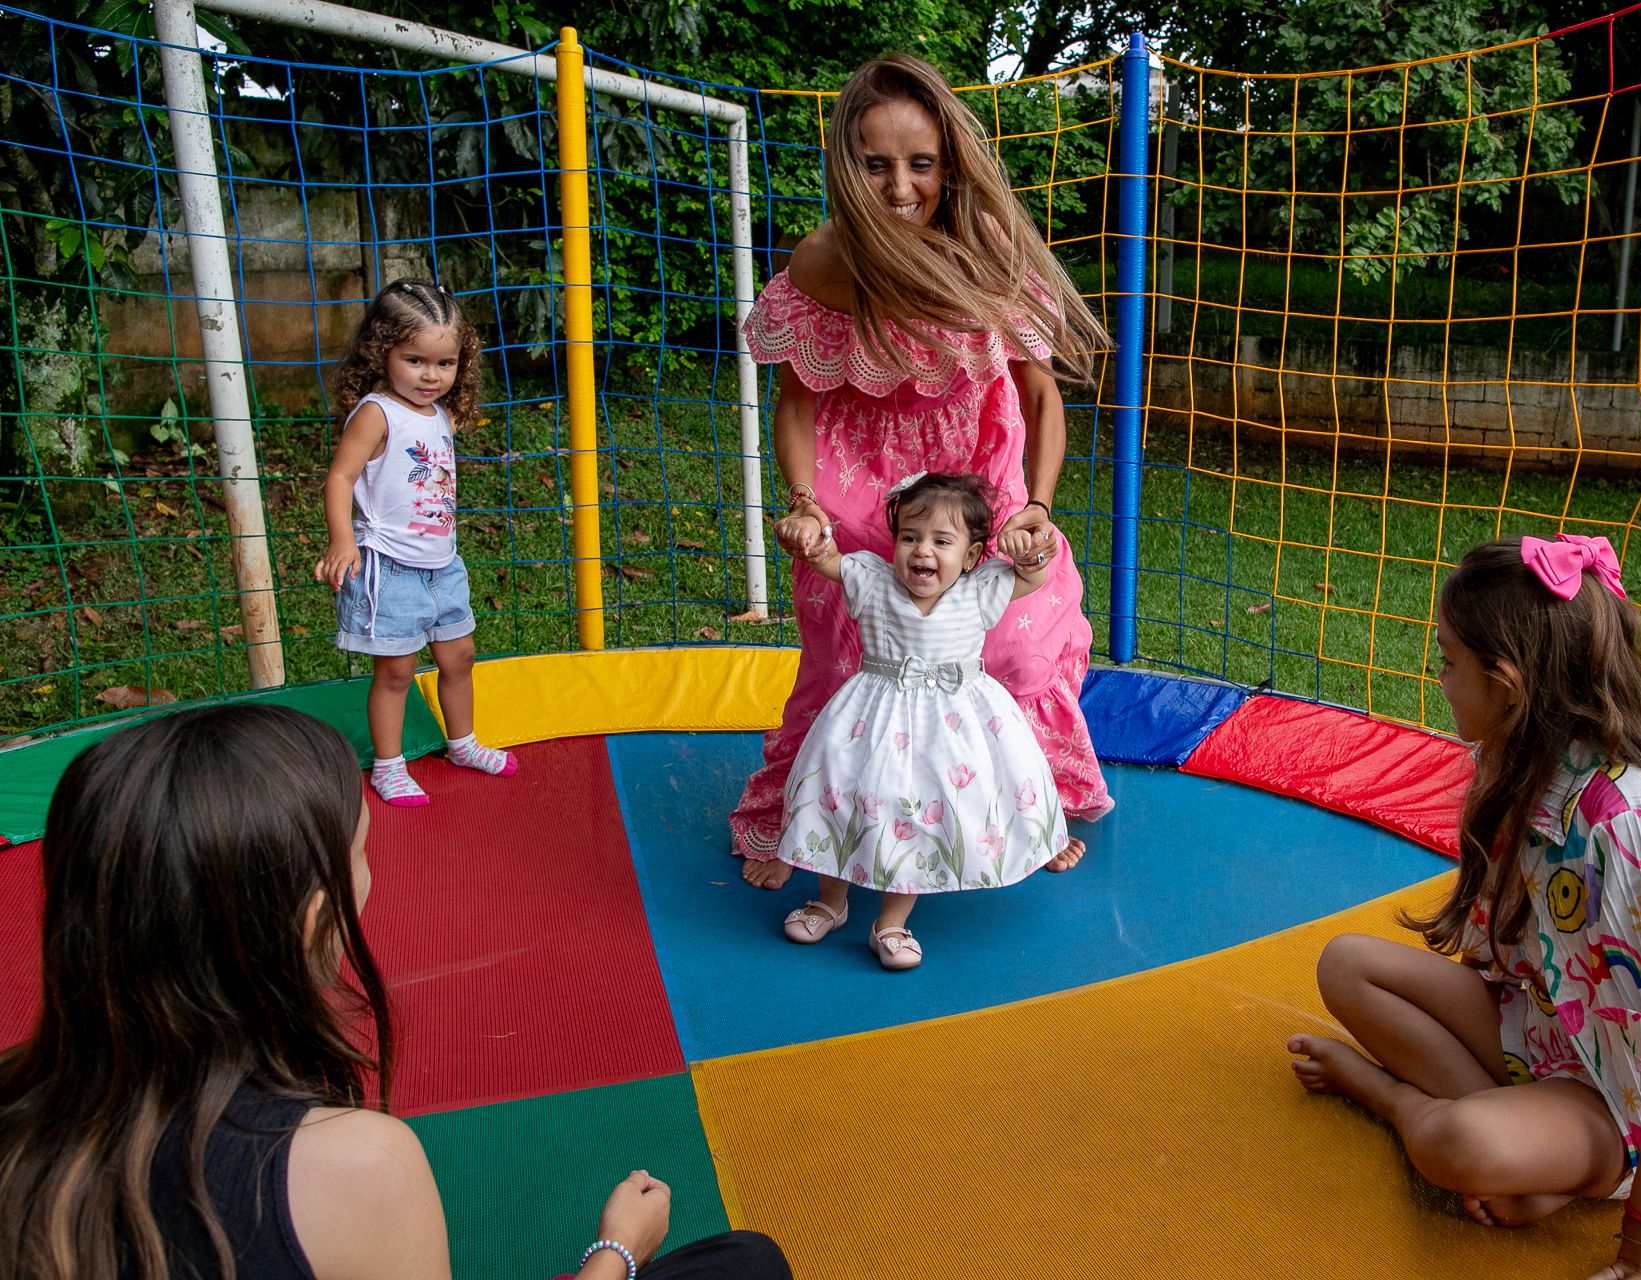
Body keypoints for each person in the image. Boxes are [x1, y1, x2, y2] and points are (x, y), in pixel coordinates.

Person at [0, 704, 791, 1280]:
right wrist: (614, 1256)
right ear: (315, 920)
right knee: (747, 1265)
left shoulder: (20, 1118)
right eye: (361, 852)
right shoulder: (350, 1165)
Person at [1287, 535, 1641, 1280]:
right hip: (1542, 1034)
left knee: (1455, 1147)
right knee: (1346, 965)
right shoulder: (1513, 764)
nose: (1439, 678)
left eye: (1448, 661)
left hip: (1621, 1103)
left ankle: (1397, 1101)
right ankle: (1535, 1161)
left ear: (1506, 682)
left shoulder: (1632, 821)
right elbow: (1515, 933)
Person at [730, 53, 1114, 889]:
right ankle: (830, 817)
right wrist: (803, 504)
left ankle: (1017, 804)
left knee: (1010, 647)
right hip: (862, 469)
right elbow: (797, 403)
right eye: (877, 165)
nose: (900, 187)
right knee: (854, 648)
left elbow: (1040, 397)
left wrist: (1038, 507)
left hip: (975, 469)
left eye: (921, 164)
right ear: (846, 164)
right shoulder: (824, 264)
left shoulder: (987, 249)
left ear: (949, 165)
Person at [773, 471, 1070, 969]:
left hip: (949, 728)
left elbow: (1036, 573)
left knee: (914, 812)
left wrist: (1029, 546)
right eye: (909, 537)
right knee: (842, 797)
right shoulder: (870, 578)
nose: (921, 551)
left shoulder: (980, 589)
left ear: (972, 556)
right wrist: (807, 534)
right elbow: (824, 556)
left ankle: (890, 921)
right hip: (871, 716)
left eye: (941, 541)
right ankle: (831, 900)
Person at [314, 279, 517, 807]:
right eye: (415, 361)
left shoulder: (440, 414)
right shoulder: (376, 412)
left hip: (442, 564)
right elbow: (339, 479)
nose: (431, 376)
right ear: (381, 354)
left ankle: (463, 743)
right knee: (397, 669)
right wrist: (343, 541)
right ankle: (388, 766)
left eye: (444, 364)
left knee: (460, 656)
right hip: (390, 565)